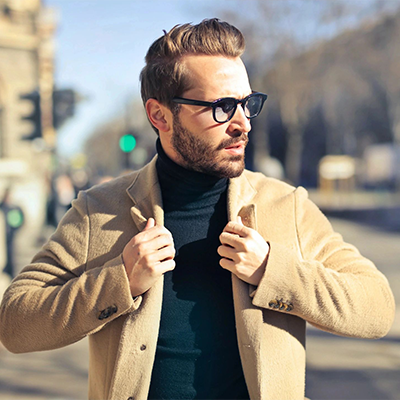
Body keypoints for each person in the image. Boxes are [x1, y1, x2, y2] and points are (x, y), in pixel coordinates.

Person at [0, 19, 395, 400]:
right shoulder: (98, 211)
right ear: (160, 115)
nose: (243, 124)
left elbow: (376, 309)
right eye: (222, 106)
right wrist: (119, 280)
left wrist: (274, 272)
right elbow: (15, 324)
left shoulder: (286, 205)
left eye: (247, 104)